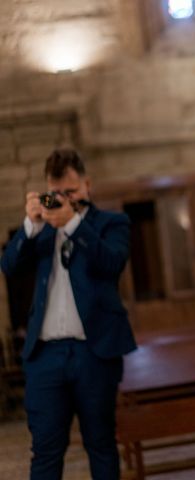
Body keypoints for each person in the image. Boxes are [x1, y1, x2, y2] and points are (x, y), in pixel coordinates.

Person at [1, 148, 136, 480]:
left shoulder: (111, 223)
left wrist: (74, 224)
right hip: (46, 354)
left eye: (71, 192)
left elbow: (111, 263)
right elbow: (9, 266)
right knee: (45, 449)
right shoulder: (42, 230)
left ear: (87, 185)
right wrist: (31, 225)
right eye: (56, 193)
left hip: (95, 350)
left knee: (101, 443)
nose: (63, 199)